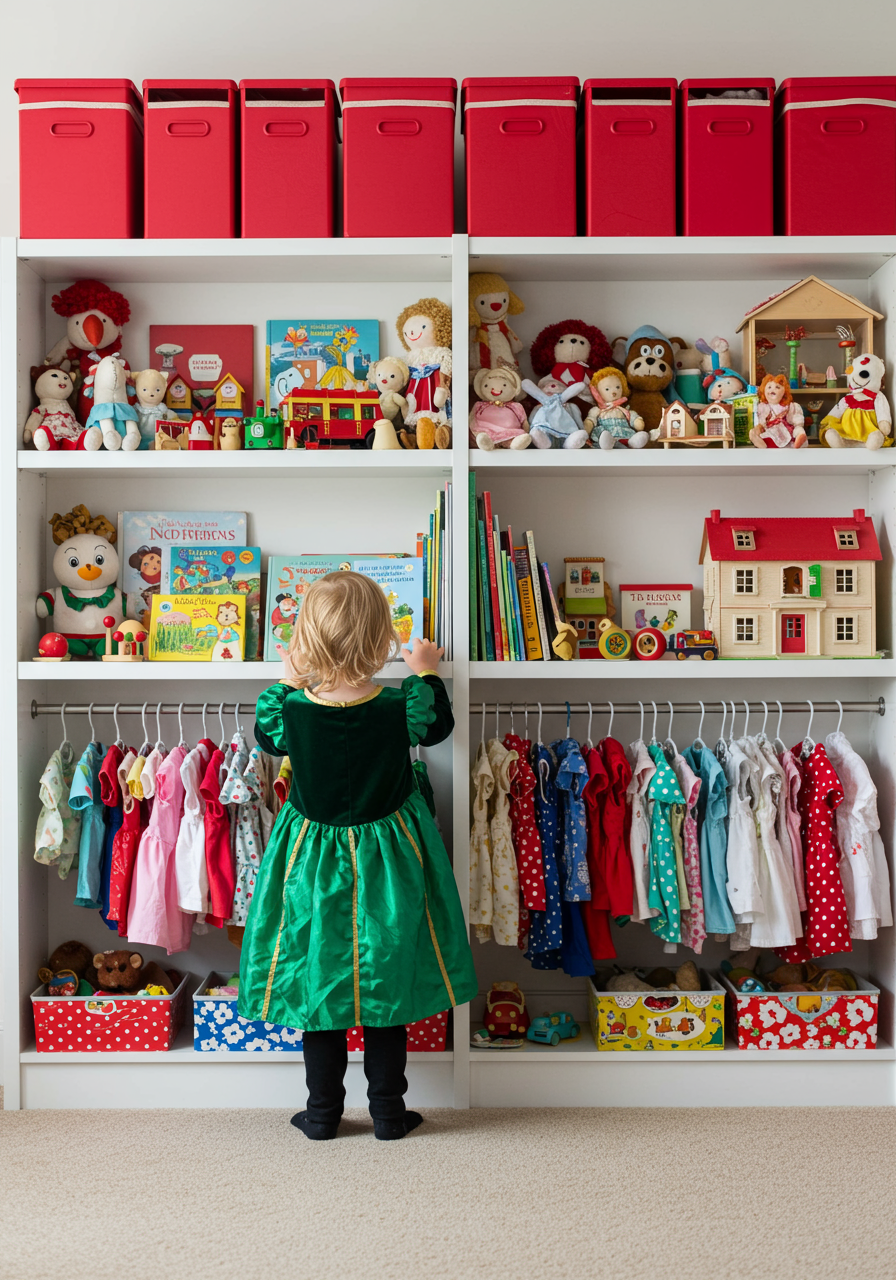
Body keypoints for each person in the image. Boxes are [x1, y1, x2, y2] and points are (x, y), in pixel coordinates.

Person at [239, 571, 476, 1141]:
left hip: (311, 862)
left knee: (320, 986)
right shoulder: (400, 707)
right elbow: (437, 724)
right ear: (380, 641)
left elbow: (266, 733)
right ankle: (388, 1114)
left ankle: (322, 1114)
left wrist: (288, 675)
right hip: (388, 859)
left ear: (307, 641)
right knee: (384, 988)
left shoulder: (289, 708)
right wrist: (425, 669)